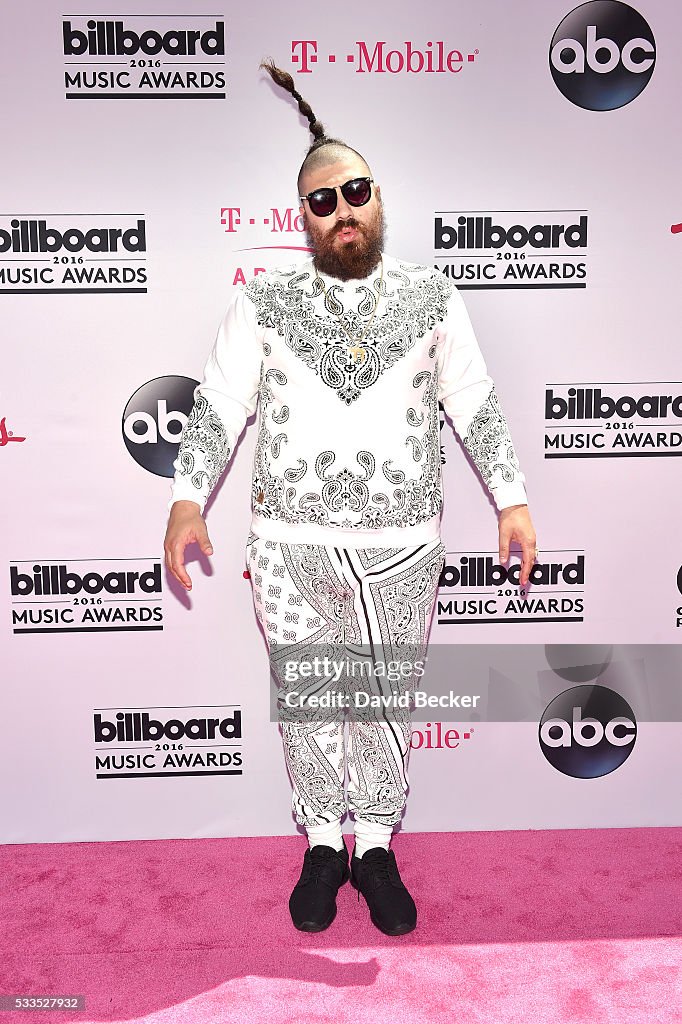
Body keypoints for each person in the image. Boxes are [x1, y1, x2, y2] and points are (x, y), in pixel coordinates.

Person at [164, 59, 538, 936]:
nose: (342, 211)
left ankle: (375, 846)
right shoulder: (261, 303)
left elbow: (474, 400)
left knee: (382, 698)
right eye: (322, 200)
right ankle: (321, 845)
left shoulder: (433, 296)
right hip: (288, 547)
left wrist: (512, 499)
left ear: (381, 197)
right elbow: (220, 402)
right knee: (306, 699)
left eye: (355, 191)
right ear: (303, 217)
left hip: (404, 545)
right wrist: (187, 498)